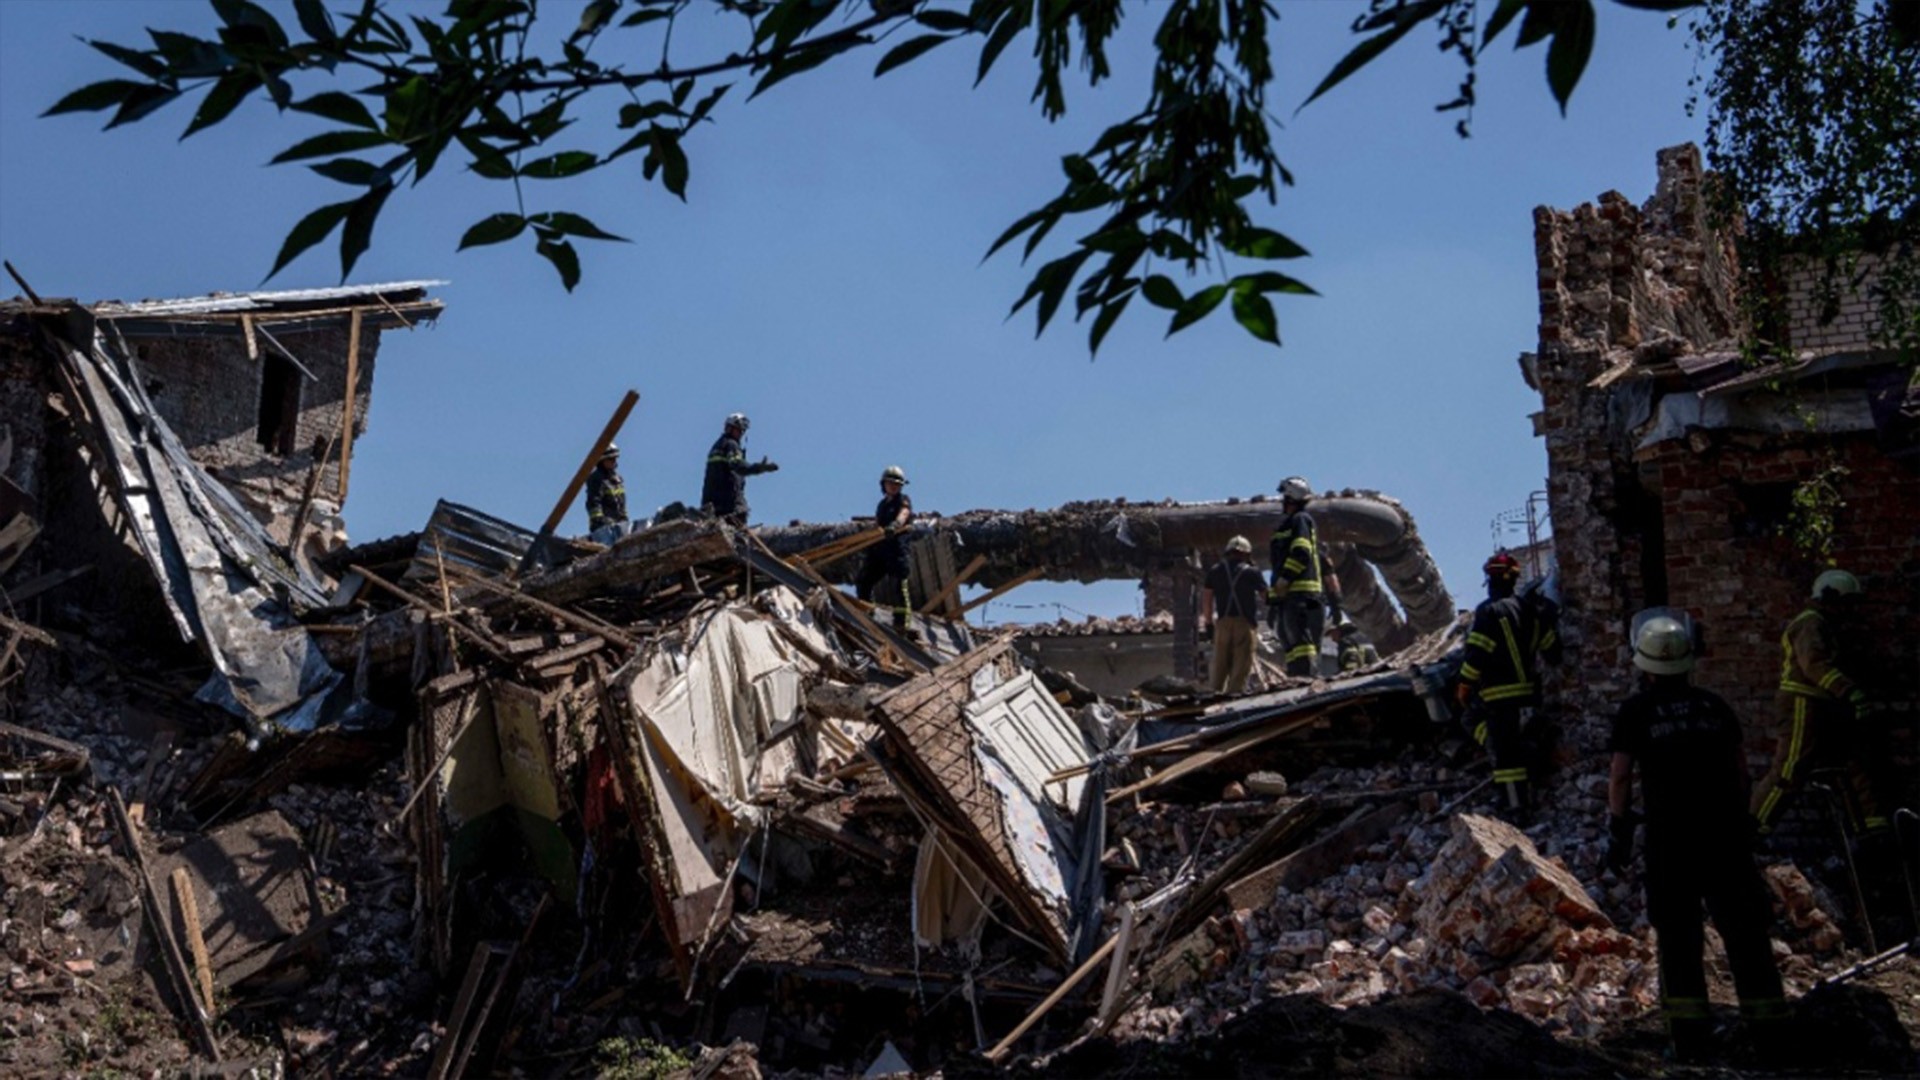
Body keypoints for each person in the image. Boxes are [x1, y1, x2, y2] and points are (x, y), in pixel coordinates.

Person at [1608, 612, 1788, 1062]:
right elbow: (1743, 771)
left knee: (1678, 935)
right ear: (1689, 662)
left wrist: (1619, 829)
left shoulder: (1636, 711)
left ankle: (1690, 1041)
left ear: (1643, 665)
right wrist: (1743, 819)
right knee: (1746, 931)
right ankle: (1770, 1033)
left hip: (1672, 840)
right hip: (1725, 835)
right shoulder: (1715, 706)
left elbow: (1620, 778)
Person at [1750, 568, 1895, 837]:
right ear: (1831, 597)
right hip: (1803, 704)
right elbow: (1814, 665)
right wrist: (1849, 691)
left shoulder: (1825, 624)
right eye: (1846, 603)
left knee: (1852, 765)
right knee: (1790, 769)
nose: (1849, 611)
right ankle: (1752, 828)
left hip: (1824, 706)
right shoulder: (1810, 623)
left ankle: (1872, 832)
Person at [1454, 552, 1561, 818]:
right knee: (1521, 746)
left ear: (1489, 580)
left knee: (1505, 756)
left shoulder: (1488, 611)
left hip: (1499, 698)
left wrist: (1464, 686)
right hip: (1530, 695)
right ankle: (1533, 792)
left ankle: (1515, 808)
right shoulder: (1531, 611)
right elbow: (1552, 651)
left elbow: (1476, 655)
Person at [1267, 476, 1325, 677]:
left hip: (1303, 595)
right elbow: (1276, 566)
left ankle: (1307, 679)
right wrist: (1273, 601)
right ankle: (1296, 679)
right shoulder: (1284, 527)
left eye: (1285, 498)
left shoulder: (1301, 520)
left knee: (1302, 643)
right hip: (1288, 597)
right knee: (1289, 643)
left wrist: (1287, 578)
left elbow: (1301, 552)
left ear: (1292, 499)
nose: (1282, 502)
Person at [855, 465, 915, 635]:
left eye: (897, 484)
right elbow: (878, 523)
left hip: (896, 549)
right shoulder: (882, 505)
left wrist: (895, 525)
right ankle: (867, 612)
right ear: (884, 485)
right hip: (881, 550)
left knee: (899, 585)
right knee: (864, 580)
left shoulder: (903, 500)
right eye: (890, 483)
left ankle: (901, 623)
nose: (894, 486)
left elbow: (904, 513)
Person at [1200, 536, 1264, 694]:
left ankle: (1213, 698)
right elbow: (1266, 596)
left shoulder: (1214, 571)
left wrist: (1208, 623)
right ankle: (1233, 700)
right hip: (1245, 624)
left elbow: (1207, 599)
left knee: (1219, 666)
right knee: (1240, 668)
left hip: (1222, 625)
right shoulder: (1252, 572)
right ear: (1246, 554)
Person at [701, 412, 778, 526]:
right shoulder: (731, 445)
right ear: (730, 428)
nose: (741, 434)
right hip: (729, 503)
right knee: (739, 529)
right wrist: (759, 468)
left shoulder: (717, 446)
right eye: (738, 430)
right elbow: (738, 465)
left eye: (742, 431)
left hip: (711, 503)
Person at [584, 442, 627, 541]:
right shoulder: (596, 479)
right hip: (603, 527)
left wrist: (624, 518)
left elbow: (622, 502)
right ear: (602, 460)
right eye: (611, 459)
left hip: (619, 524)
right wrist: (599, 519)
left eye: (615, 458)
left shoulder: (617, 479)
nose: (614, 461)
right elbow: (593, 501)